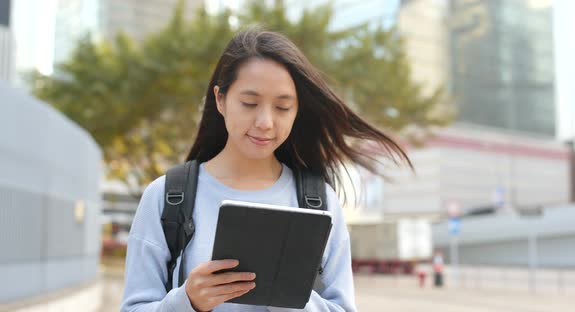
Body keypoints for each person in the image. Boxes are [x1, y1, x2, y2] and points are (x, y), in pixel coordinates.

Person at [120, 26, 410, 312]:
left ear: (297, 111)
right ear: (220, 99)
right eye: (249, 103)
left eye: (283, 107)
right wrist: (187, 301)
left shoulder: (319, 202)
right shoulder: (167, 197)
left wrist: (290, 295)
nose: (265, 122)